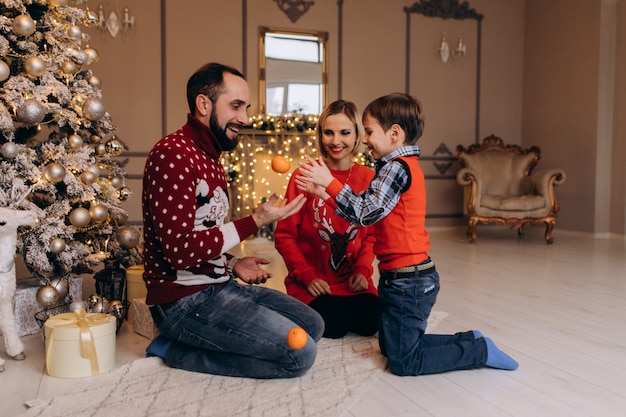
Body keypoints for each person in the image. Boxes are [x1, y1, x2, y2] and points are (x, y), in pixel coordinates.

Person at [296, 93, 518, 376]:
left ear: (395, 133)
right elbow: (365, 209)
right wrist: (325, 193)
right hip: (397, 277)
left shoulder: (396, 169)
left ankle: (479, 350)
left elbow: (365, 213)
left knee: (403, 362)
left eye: (369, 132)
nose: (365, 139)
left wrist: (329, 183)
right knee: (393, 349)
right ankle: (468, 339)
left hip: (410, 280)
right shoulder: (394, 167)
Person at [141, 62, 325, 379]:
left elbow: (200, 234)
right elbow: (179, 251)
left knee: (313, 324)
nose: (245, 118)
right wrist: (253, 221)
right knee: (299, 355)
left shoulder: (211, 157)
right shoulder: (172, 154)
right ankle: (176, 350)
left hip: (221, 286)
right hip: (183, 304)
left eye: (246, 107)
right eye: (236, 106)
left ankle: (217, 336)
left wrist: (230, 264)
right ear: (203, 104)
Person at [274, 100, 379, 339]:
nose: (335, 141)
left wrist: (363, 271)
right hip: (313, 280)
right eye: (328, 132)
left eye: (344, 133)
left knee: (371, 321)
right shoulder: (304, 175)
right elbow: (284, 235)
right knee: (334, 325)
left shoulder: (369, 177)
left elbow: (371, 234)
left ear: (356, 136)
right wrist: (306, 275)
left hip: (353, 280)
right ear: (320, 135)